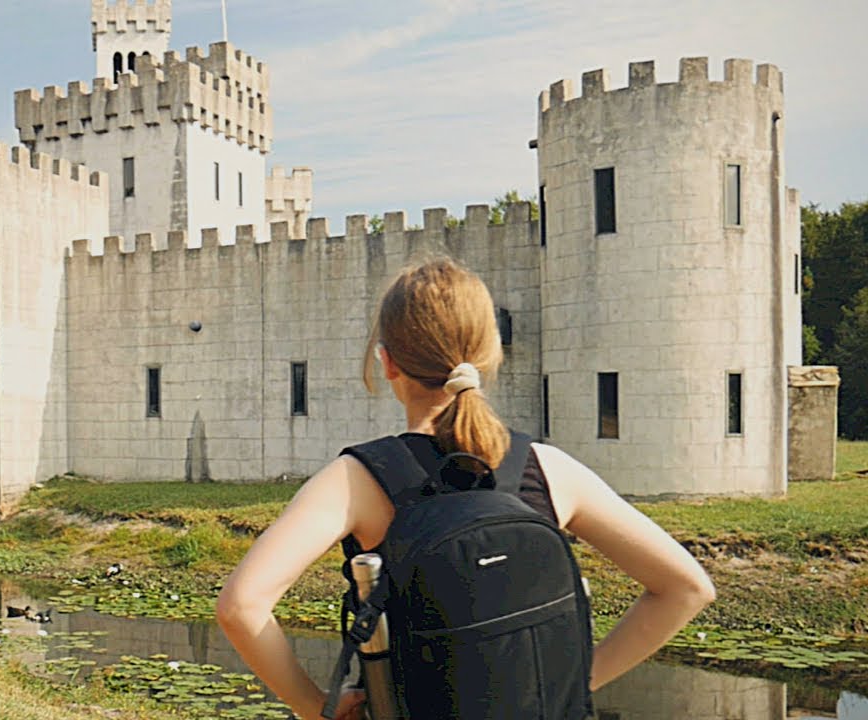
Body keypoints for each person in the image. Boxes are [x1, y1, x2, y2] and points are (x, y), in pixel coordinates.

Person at [216, 259, 716, 720]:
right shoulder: (548, 469)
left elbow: (241, 605)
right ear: (489, 356)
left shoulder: (358, 479)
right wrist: (573, 683)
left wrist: (315, 707)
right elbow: (687, 588)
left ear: (387, 363)